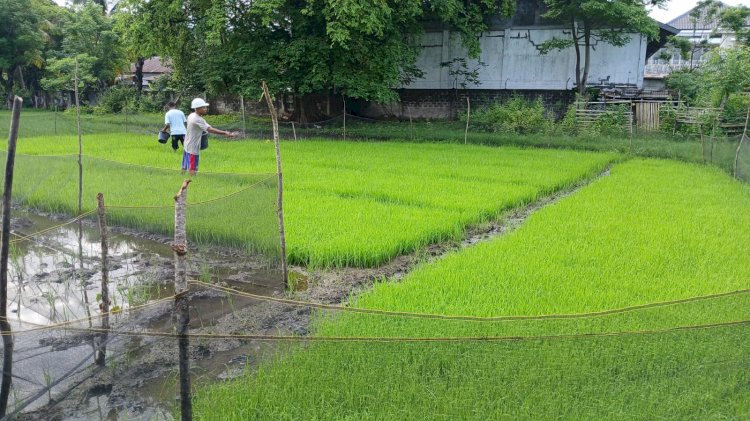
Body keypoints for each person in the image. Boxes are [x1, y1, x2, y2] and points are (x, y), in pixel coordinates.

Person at [183, 98, 236, 175]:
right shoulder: (197, 119)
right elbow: (210, 130)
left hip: (187, 144)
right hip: (192, 146)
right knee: (193, 169)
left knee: (185, 165)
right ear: (197, 108)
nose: (205, 109)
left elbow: (206, 126)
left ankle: (183, 177)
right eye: (203, 107)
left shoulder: (192, 115)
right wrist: (225, 133)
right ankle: (191, 181)